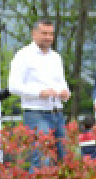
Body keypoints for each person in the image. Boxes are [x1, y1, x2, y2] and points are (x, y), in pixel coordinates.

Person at [8, 19, 71, 162]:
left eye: (51, 34)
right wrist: (39, 92)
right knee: (43, 158)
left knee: (64, 159)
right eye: (44, 33)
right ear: (34, 34)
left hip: (58, 112)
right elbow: (13, 86)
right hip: (36, 113)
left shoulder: (56, 57)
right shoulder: (23, 55)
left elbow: (62, 83)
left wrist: (66, 93)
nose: (48, 37)